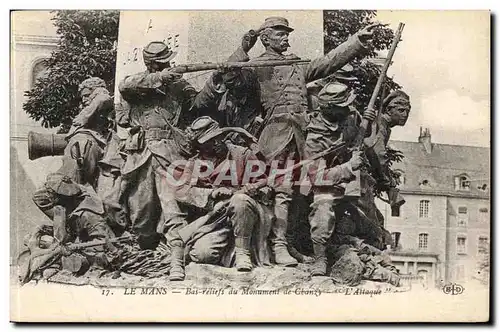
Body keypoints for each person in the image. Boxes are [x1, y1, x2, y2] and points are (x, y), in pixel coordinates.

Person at [226, 17, 379, 266]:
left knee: (295, 193)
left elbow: (329, 63)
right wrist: (243, 50)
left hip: (300, 136)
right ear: (265, 38)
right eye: (280, 33)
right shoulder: (256, 66)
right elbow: (230, 79)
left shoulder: (297, 64)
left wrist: (357, 42)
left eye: (287, 33)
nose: (286, 37)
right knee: (279, 190)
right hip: (275, 135)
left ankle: (287, 244)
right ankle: (275, 246)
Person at [164, 116, 275, 281]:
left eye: (217, 137)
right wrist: (211, 194)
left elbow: (267, 185)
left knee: (240, 201)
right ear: (199, 144)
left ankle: (242, 253)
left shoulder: (241, 154)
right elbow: (182, 191)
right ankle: (228, 252)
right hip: (216, 220)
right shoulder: (194, 164)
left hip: (246, 216)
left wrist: (254, 190)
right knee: (202, 254)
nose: (215, 142)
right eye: (209, 141)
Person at [116, 41, 199, 236]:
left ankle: (175, 245)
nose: (168, 65)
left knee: (174, 203)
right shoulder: (138, 83)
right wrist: (160, 78)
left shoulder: (178, 85)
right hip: (141, 153)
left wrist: (216, 81)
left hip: (169, 150)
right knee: (141, 208)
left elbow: (197, 103)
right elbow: (124, 86)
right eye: (163, 63)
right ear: (152, 65)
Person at [303, 82, 372, 276]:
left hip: (351, 185)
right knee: (322, 212)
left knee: (370, 222)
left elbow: (362, 133)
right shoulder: (314, 138)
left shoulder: (349, 115)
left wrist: (369, 122)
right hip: (322, 187)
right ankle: (320, 258)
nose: (349, 108)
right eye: (344, 106)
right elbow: (317, 177)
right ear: (330, 109)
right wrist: (349, 167)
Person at [59, 77, 113, 189]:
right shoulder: (90, 106)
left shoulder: (101, 100)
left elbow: (104, 97)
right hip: (79, 141)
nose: (83, 99)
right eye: (82, 96)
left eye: (87, 95)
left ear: (96, 92)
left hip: (91, 140)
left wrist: (85, 116)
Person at [32, 173, 115, 243]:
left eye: (53, 194)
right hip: (76, 227)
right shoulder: (77, 190)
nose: (49, 196)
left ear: (62, 197)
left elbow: (104, 243)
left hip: (96, 245)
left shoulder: (87, 215)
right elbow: (37, 197)